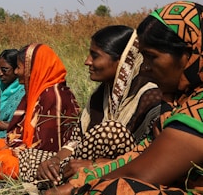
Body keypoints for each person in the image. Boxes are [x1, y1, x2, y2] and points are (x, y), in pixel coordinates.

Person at [43, 1, 203, 195]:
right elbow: (139, 154)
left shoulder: (197, 108)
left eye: (152, 58)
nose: (145, 69)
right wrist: (81, 180)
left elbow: (142, 172)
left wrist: (81, 189)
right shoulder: (180, 104)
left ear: (190, 56)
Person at [33, 26, 162, 185]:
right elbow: (76, 141)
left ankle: (71, 183)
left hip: (127, 172)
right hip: (82, 161)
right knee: (29, 158)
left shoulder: (150, 97)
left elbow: (156, 156)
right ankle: (61, 177)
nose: (87, 61)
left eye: (95, 56)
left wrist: (98, 166)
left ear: (123, 60)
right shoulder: (101, 94)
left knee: (110, 131)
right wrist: (56, 160)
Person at [0, 44, 80, 181]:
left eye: (18, 67)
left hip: (41, 161)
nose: (16, 72)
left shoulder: (54, 96)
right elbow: (19, 133)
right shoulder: (34, 92)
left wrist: (5, 153)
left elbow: (44, 150)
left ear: (33, 68)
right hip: (24, 150)